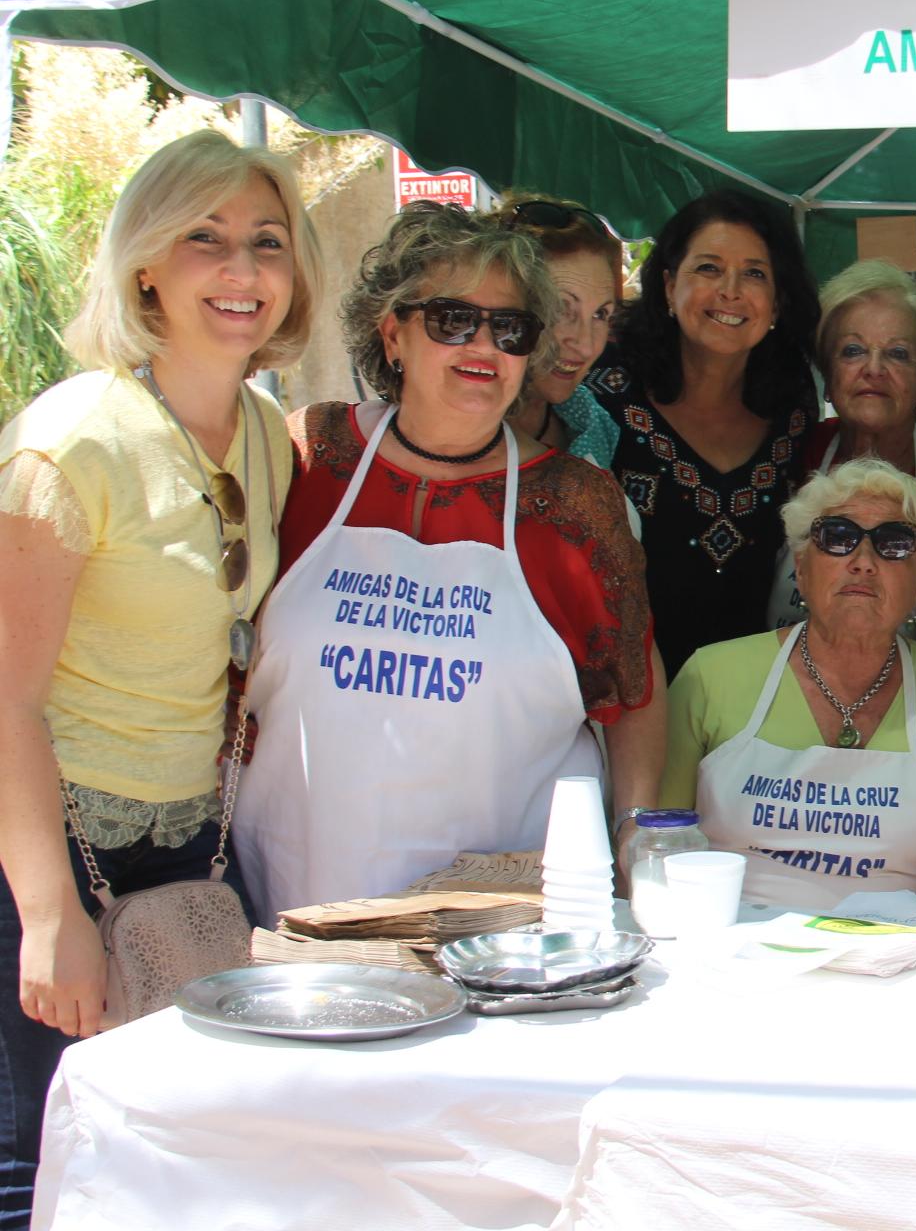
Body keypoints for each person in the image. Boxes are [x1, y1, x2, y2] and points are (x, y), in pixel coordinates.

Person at [0, 129, 318, 1221]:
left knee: (189, 1153)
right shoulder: (72, 440)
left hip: (192, 847)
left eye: (267, 242)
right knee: (40, 1155)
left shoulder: (265, 432)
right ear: (145, 265)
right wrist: (48, 913)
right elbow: (6, 697)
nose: (242, 270)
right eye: (205, 239)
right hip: (52, 848)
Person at [234, 202, 662, 920]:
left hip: (504, 923)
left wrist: (634, 838)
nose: (484, 345)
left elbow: (635, 692)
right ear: (392, 332)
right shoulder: (305, 458)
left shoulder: (576, 505)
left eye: (510, 328)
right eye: (453, 320)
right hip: (296, 908)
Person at [647, 460, 916, 910]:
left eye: (893, 543)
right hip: (733, 939)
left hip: (901, 944)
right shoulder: (710, 675)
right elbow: (659, 848)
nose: (863, 562)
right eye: (837, 537)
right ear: (801, 568)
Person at [585, 189, 821, 677]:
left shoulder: (793, 403)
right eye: (709, 268)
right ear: (669, 285)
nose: (730, 291)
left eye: (755, 273)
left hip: (750, 698)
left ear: (778, 301)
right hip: (615, 693)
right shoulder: (604, 385)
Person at [767, 259, 916, 628]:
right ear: (826, 368)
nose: (874, 369)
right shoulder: (790, 454)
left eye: (898, 353)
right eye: (852, 350)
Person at [496, 194, 627, 471]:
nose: (586, 345)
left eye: (600, 314)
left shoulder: (594, 426)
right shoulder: (444, 431)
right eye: (560, 309)